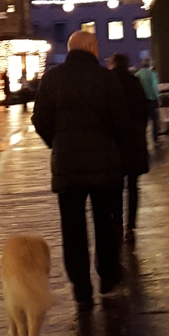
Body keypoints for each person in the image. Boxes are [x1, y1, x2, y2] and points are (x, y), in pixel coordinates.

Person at [32, 30, 129, 310]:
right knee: (105, 224)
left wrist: (58, 143)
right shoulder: (105, 78)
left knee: (72, 229)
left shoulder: (53, 79)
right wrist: (110, 144)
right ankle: (107, 277)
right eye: (96, 45)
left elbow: (40, 119)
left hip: (68, 166)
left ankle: (81, 289)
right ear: (88, 48)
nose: (98, 50)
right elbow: (122, 121)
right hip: (103, 165)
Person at [108, 53, 149, 244]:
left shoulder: (108, 82)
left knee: (115, 187)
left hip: (114, 143)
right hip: (134, 143)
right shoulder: (134, 82)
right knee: (133, 186)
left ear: (112, 64)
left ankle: (117, 223)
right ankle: (130, 226)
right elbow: (144, 111)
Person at [136, 59, 161, 146]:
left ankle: (142, 139)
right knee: (154, 120)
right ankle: (155, 139)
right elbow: (154, 88)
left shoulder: (137, 75)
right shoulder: (152, 74)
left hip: (141, 101)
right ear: (150, 65)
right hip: (151, 99)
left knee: (143, 121)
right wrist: (158, 99)